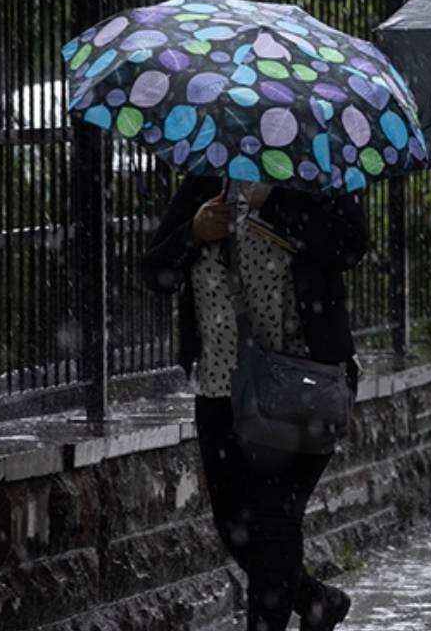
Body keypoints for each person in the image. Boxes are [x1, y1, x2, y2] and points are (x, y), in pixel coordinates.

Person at [140, 176, 367, 631]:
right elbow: (154, 273)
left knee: (274, 520)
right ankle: (317, 600)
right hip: (220, 390)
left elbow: (351, 246)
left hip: (300, 385)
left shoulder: (315, 177)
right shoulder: (206, 184)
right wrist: (193, 233)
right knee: (234, 526)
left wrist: (277, 202)